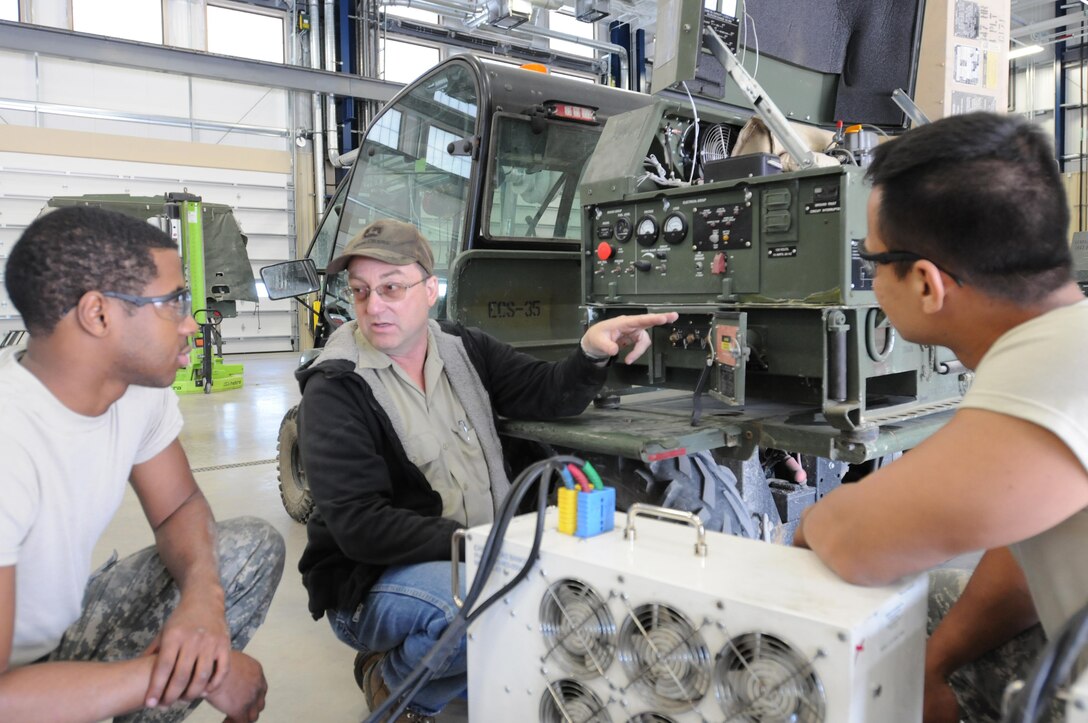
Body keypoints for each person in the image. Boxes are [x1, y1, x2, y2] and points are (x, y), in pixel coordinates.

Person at [295, 218, 678, 722]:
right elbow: (361, 527)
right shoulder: (337, 388)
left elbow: (546, 391)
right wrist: (488, 549)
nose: (374, 306)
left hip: (473, 553)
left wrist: (590, 351)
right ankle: (392, 681)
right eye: (361, 291)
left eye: (392, 288)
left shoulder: (463, 349)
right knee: (484, 606)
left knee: (559, 597)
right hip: (373, 583)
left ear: (430, 290)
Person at [792, 112, 1088, 722]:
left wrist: (807, 526)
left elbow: (853, 544)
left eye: (871, 260)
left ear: (927, 283)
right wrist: (933, 664)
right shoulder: (1066, 338)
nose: (870, 279)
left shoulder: (1057, 366)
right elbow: (1022, 548)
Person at [0, 206, 286, 722]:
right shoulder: (9, 441)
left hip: (51, 642)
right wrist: (210, 672)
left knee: (248, 547)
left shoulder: (135, 392)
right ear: (98, 314)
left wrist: (202, 602)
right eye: (173, 302)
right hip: (9, 687)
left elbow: (178, 506)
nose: (189, 324)